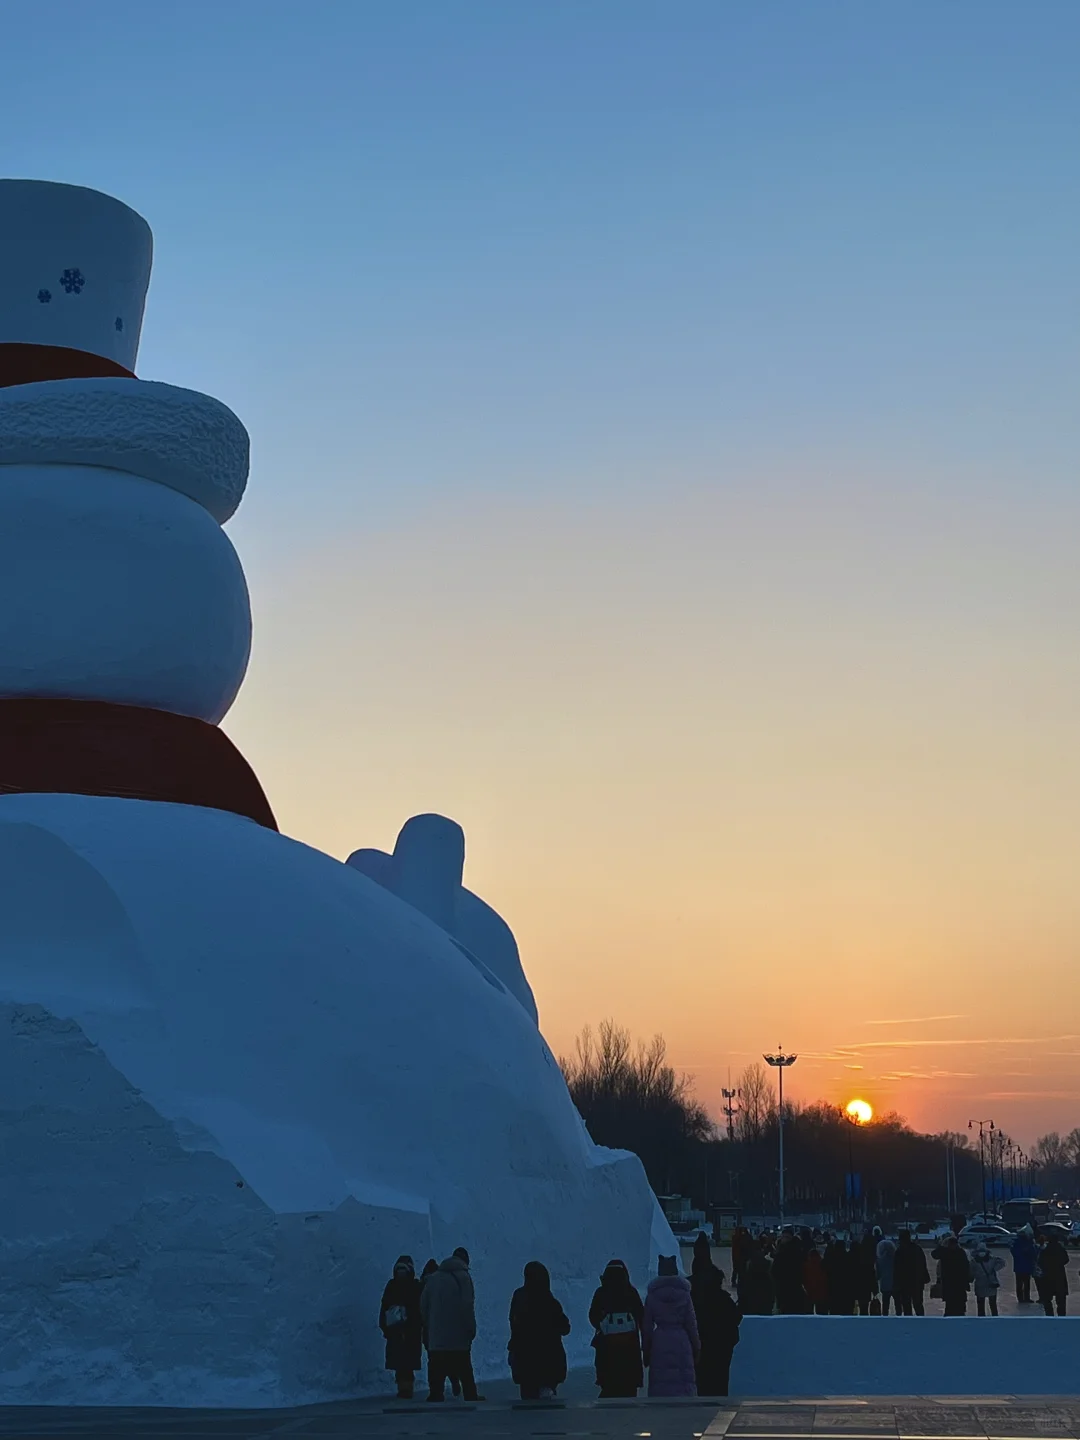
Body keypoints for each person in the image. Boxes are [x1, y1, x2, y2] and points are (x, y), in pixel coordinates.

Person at [420, 1247, 482, 1402]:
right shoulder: (464, 1278)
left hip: (437, 1336)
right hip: (458, 1336)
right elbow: (467, 1306)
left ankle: (436, 1394)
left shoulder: (433, 1278)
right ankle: (470, 1395)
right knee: (464, 1369)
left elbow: (423, 1305)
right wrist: (471, 1329)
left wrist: (430, 1326)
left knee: (436, 1368)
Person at [507, 1261, 570, 1400]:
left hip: (525, 1361)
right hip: (548, 1362)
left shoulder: (519, 1297)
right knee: (547, 1405)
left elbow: (513, 1321)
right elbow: (565, 1328)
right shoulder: (549, 1301)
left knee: (527, 1400)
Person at [689, 1233, 742, 1396]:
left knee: (702, 1380)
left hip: (701, 1344)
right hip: (721, 1347)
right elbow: (736, 1317)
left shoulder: (691, 1295)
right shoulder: (722, 1299)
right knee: (719, 1381)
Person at [642, 1255, 700, 1397]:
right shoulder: (685, 1294)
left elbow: (646, 1326)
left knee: (661, 1381)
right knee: (682, 1379)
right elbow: (691, 1323)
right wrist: (696, 1347)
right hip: (681, 1339)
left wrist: (646, 1351)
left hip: (659, 1341)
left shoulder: (652, 1295)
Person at [589, 1259, 644, 1398]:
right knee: (629, 1391)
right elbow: (641, 1315)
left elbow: (592, 1316)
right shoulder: (631, 1292)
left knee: (609, 1388)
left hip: (607, 1350)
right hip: (629, 1350)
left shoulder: (601, 1292)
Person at [380, 1255, 423, 1399]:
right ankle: (407, 1387)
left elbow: (384, 1309)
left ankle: (402, 1387)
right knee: (408, 1361)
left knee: (399, 1362)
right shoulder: (415, 1286)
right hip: (411, 1331)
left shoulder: (391, 1286)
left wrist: (385, 1329)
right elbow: (420, 1309)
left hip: (395, 1331)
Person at [931, 1235, 972, 1316]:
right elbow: (967, 1267)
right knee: (960, 1307)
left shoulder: (945, 1252)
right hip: (960, 1284)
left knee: (949, 1307)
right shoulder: (961, 1252)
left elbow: (934, 1254)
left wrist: (941, 1246)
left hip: (948, 1284)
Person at [892, 1230, 929, 1315]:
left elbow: (896, 1270)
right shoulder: (917, 1249)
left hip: (904, 1284)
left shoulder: (899, 1251)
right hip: (917, 1282)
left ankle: (908, 1324)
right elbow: (923, 1265)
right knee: (918, 1305)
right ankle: (920, 1322)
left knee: (906, 1306)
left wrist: (896, 1285)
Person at [772, 1232, 809, 1314]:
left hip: (785, 1285)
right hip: (795, 1284)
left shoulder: (782, 1252)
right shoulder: (798, 1250)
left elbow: (775, 1270)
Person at [737, 1240, 775, 1315]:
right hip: (765, 1298)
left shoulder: (746, 1261)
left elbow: (741, 1285)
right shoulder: (768, 1262)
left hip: (748, 1301)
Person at [1036, 1232, 1070, 1316]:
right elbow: (1066, 1260)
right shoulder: (1061, 1249)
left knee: (1047, 1299)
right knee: (1061, 1300)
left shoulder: (1045, 1250)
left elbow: (1040, 1262)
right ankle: (1062, 1316)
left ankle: (1049, 1316)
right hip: (1060, 1276)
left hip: (1048, 1276)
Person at [969, 1241, 1005, 1316]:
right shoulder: (992, 1259)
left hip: (980, 1285)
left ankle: (981, 1319)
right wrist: (994, 1269)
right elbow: (1002, 1262)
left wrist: (973, 1276)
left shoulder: (974, 1261)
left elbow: (971, 1272)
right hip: (991, 1283)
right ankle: (995, 1318)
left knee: (980, 1305)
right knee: (993, 1305)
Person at [802, 1244, 830, 1316]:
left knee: (809, 1314)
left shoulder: (806, 1265)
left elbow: (803, 1278)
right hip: (822, 1291)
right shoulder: (823, 1264)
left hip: (809, 1291)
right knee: (822, 1313)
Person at [1012, 1225, 1036, 1303]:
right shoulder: (1028, 1244)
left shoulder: (1016, 1243)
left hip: (1018, 1267)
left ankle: (1021, 1299)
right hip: (1026, 1267)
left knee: (1020, 1284)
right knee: (1026, 1284)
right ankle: (1026, 1298)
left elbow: (1014, 1253)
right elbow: (1033, 1254)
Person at [875, 1231, 898, 1315]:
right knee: (898, 1304)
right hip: (896, 1284)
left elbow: (877, 1275)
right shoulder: (896, 1259)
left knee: (885, 1305)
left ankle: (885, 1318)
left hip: (885, 1285)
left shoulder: (880, 1261)